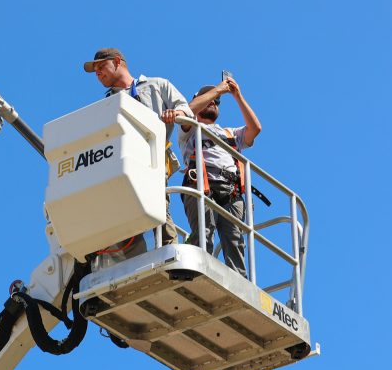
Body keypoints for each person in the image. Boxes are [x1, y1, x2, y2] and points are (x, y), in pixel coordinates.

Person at [82, 48, 192, 257]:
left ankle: (168, 253)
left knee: (157, 210)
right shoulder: (107, 104)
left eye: (101, 67)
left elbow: (186, 111)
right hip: (121, 164)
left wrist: (174, 114)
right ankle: (136, 261)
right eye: (95, 71)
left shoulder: (156, 85)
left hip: (152, 160)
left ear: (117, 62)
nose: (98, 74)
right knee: (124, 217)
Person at [179, 77, 262, 277]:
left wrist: (237, 95)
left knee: (235, 243)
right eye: (209, 99)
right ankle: (198, 274)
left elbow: (255, 129)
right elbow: (188, 110)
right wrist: (218, 89)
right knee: (204, 235)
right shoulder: (189, 128)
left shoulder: (230, 133)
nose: (214, 103)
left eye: (216, 102)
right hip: (202, 185)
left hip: (231, 193)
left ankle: (239, 283)